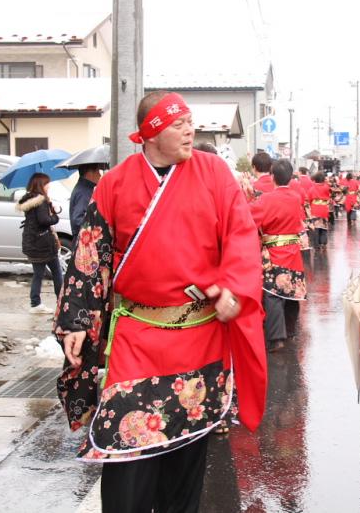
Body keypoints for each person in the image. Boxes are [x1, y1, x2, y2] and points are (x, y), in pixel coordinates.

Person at [53, 91, 267, 513]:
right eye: (177, 124)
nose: (190, 130)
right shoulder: (115, 184)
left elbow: (241, 237)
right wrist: (77, 319)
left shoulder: (214, 173)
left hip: (199, 337)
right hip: (137, 336)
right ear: (150, 135)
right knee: (126, 459)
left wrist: (234, 288)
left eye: (190, 121)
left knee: (185, 460)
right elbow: (89, 253)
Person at [250, 159, 307, 353]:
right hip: (293, 251)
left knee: (272, 294)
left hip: (275, 252)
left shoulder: (267, 199)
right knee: (292, 292)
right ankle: (290, 330)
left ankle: (276, 338)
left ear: (272, 176)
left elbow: (249, 218)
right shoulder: (296, 197)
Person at [17, 172, 63, 314]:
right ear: (41, 184)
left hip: (32, 242)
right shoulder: (41, 200)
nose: (49, 186)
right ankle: (62, 302)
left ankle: (35, 303)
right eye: (47, 183)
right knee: (57, 272)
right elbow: (44, 220)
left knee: (38, 273)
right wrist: (55, 216)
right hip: (43, 244)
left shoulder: (29, 199)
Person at [70, 164, 105, 238]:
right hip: (83, 240)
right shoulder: (84, 191)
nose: (100, 175)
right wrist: (97, 226)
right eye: (97, 171)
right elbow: (78, 219)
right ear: (89, 173)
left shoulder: (84, 188)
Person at [309, 172, 331, 249]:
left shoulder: (312, 188)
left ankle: (316, 244)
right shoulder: (326, 187)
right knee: (324, 226)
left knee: (316, 227)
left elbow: (310, 199)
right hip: (324, 208)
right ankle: (323, 242)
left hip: (315, 208)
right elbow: (329, 197)